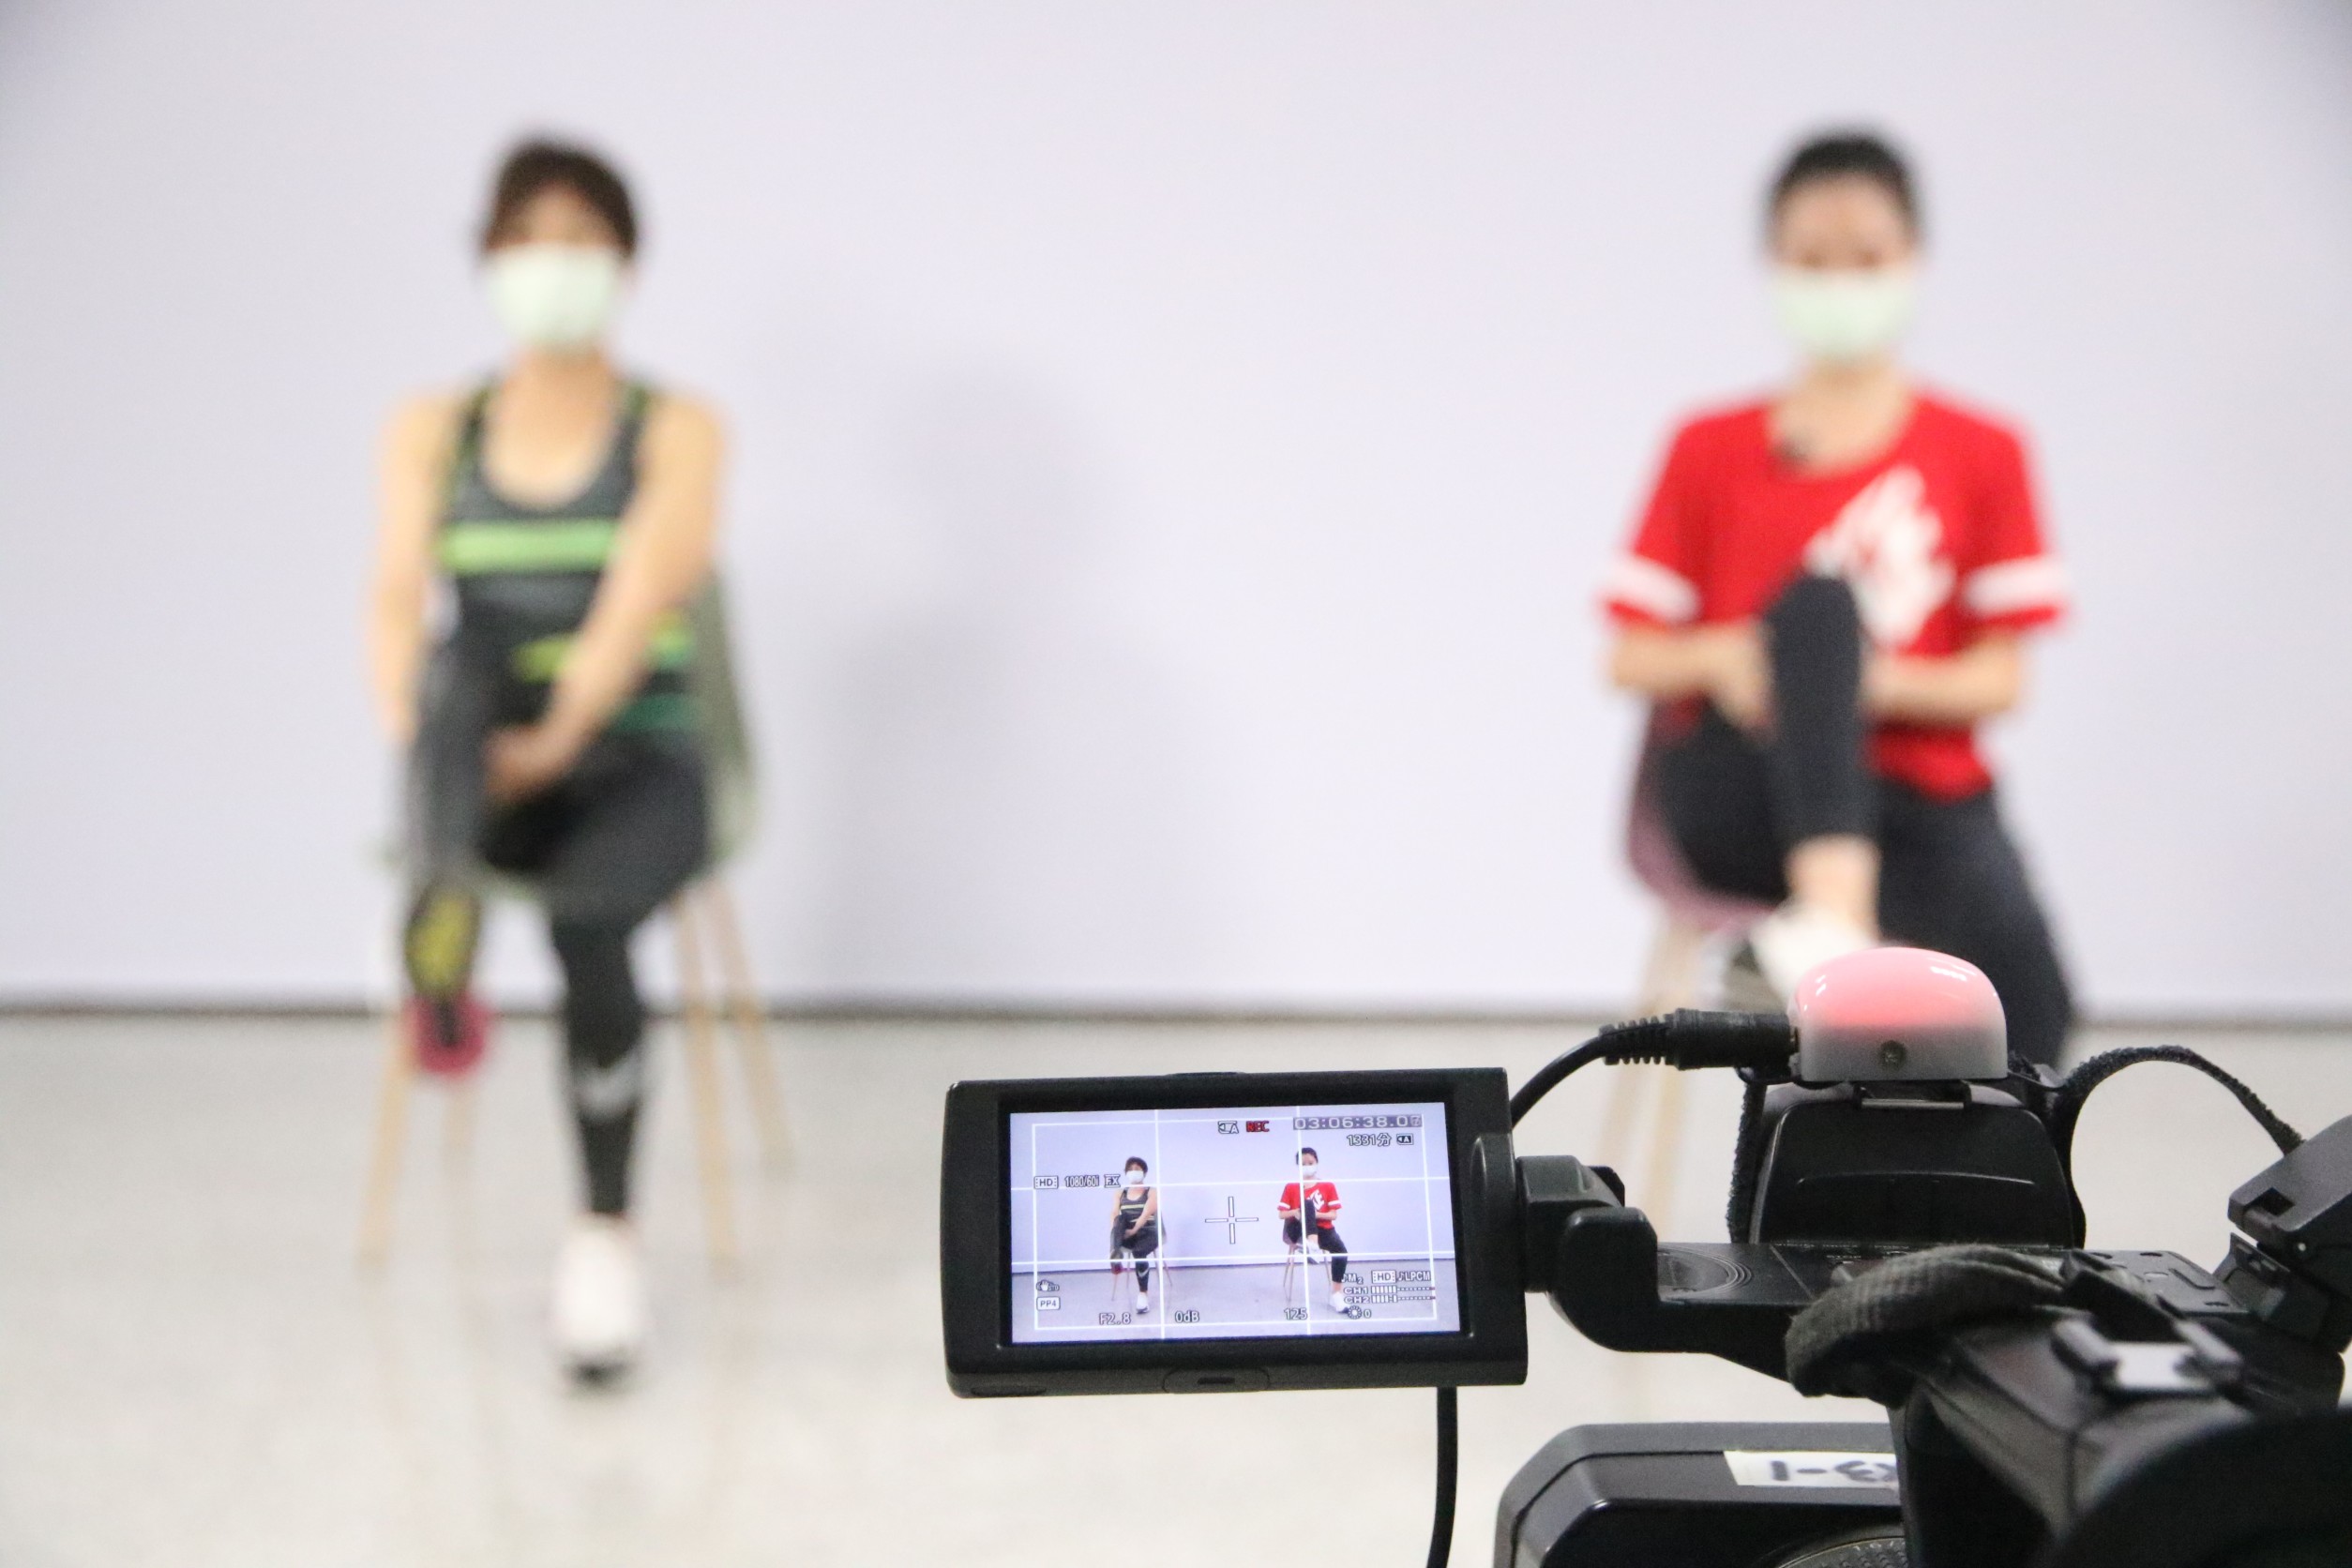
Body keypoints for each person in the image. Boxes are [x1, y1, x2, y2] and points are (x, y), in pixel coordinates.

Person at [369, 138, 726, 1379]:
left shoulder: (675, 430)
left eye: (579, 239)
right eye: (528, 237)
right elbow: (394, 594)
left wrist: (559, 738)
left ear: (625, 260)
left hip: (633, 754)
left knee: (589, 919)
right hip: (477, 742)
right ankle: (445, 892)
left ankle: (603, 1237)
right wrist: (415, 724)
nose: (552, 263)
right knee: (457, 669)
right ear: (488, 256)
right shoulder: (437, 427)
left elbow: (636, 604)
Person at [1601, 129, 2074, 1066]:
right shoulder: (1707, 445)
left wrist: (1843, 681)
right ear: (1773, 262)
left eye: (1866, 257)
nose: (1839, 282)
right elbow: (1628, 656)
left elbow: (2002, 680)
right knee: (1817, 606)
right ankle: (1833, 919)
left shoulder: (1985, 450)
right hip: (1746, 786)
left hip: (1919, 797)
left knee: (2032, 1017)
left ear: (1914, 258)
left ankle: (1826, 939)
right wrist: (1733, 657)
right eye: (1812, 259)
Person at [1276, 1147, 1349, 1313]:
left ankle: (1337, 1295)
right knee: (1307, 1204)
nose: (1307, 1166)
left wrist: (1315, 1215)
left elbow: (1333, 1215)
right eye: (1303, 1164)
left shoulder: (1327, 1186)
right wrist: (1295, 1212)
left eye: (1310, 1163)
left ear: (1317, 1163)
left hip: (1323, 1229)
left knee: (1341, 1251)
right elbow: (1281, 1214)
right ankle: (1312, 1245)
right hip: (1297, 1229)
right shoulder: (1291, 1187)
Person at [1108, 1157, 1160, 1315]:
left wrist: (1134, 1229)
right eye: (1130, 1169)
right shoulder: (1120, 1193)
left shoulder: (1151, 1191)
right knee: (1120, 1219)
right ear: (1126, 1173)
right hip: (1127, 1233)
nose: (1134, 1172)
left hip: (1147, 1232)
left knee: (1139, 1252)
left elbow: (1146, 1214)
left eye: (1137, 1169)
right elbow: (1114, 1213)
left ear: (1144, 1172)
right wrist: (1116, 1231)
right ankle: (1115, 1254)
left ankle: (1143, 1295)